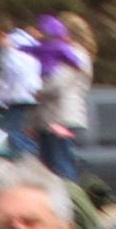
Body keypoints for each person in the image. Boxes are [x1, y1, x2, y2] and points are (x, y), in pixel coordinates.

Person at [32, 14, 94, 182]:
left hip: (62, 116)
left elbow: (58, 82)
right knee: (51, 164)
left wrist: (39, 91)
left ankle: (70, 202)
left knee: (61, 163)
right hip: (53, 116)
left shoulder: (75, 54)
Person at [0, 18, 41, 154]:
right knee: (20, 131)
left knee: (10, 132)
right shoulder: (28, 41)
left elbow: (10, 71)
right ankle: (35, 158)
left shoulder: (8, 44)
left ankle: (30, 161)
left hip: (17, 94)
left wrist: (1, 98)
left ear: (0, 34)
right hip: (32, 92)